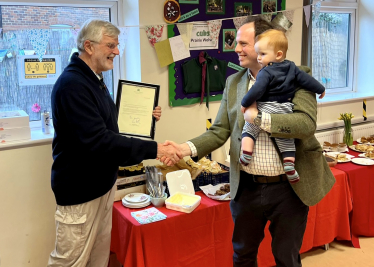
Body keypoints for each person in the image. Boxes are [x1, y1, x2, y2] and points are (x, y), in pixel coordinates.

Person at [162, 16, 335, 267]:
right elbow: (219, 130)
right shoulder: (234, 82)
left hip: (288, 188)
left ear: (262, 45)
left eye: (243, 43)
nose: (236, 48)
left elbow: (306, 125)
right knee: (242, 255)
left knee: (286, 257)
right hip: (246, 188)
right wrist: (184, 148)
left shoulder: (297, 75)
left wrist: (260, 119)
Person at [47, 19, 181, 267]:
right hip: (80, 193)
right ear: (89, 46)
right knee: (70, 262)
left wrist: (142, 116)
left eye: (117, 45)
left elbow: (106, 124)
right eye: (111, 45)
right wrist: (156, 149)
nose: (117, 52)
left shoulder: (94, 79)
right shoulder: (73, 85)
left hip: (101, 186)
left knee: (97, 259)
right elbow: (99, 141)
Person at [239, 29, 325, 185]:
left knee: (249, 128)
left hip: (266, 107)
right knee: (285, 139)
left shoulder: (265, 72)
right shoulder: (292, 68)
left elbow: (257, 90)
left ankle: (246, 153)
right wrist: (320, 89)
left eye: (262, 54)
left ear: (278, 54)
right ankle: (289, 164)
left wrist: (245, 104)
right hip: (285, 108)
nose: (259, 58)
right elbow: (307, 81)